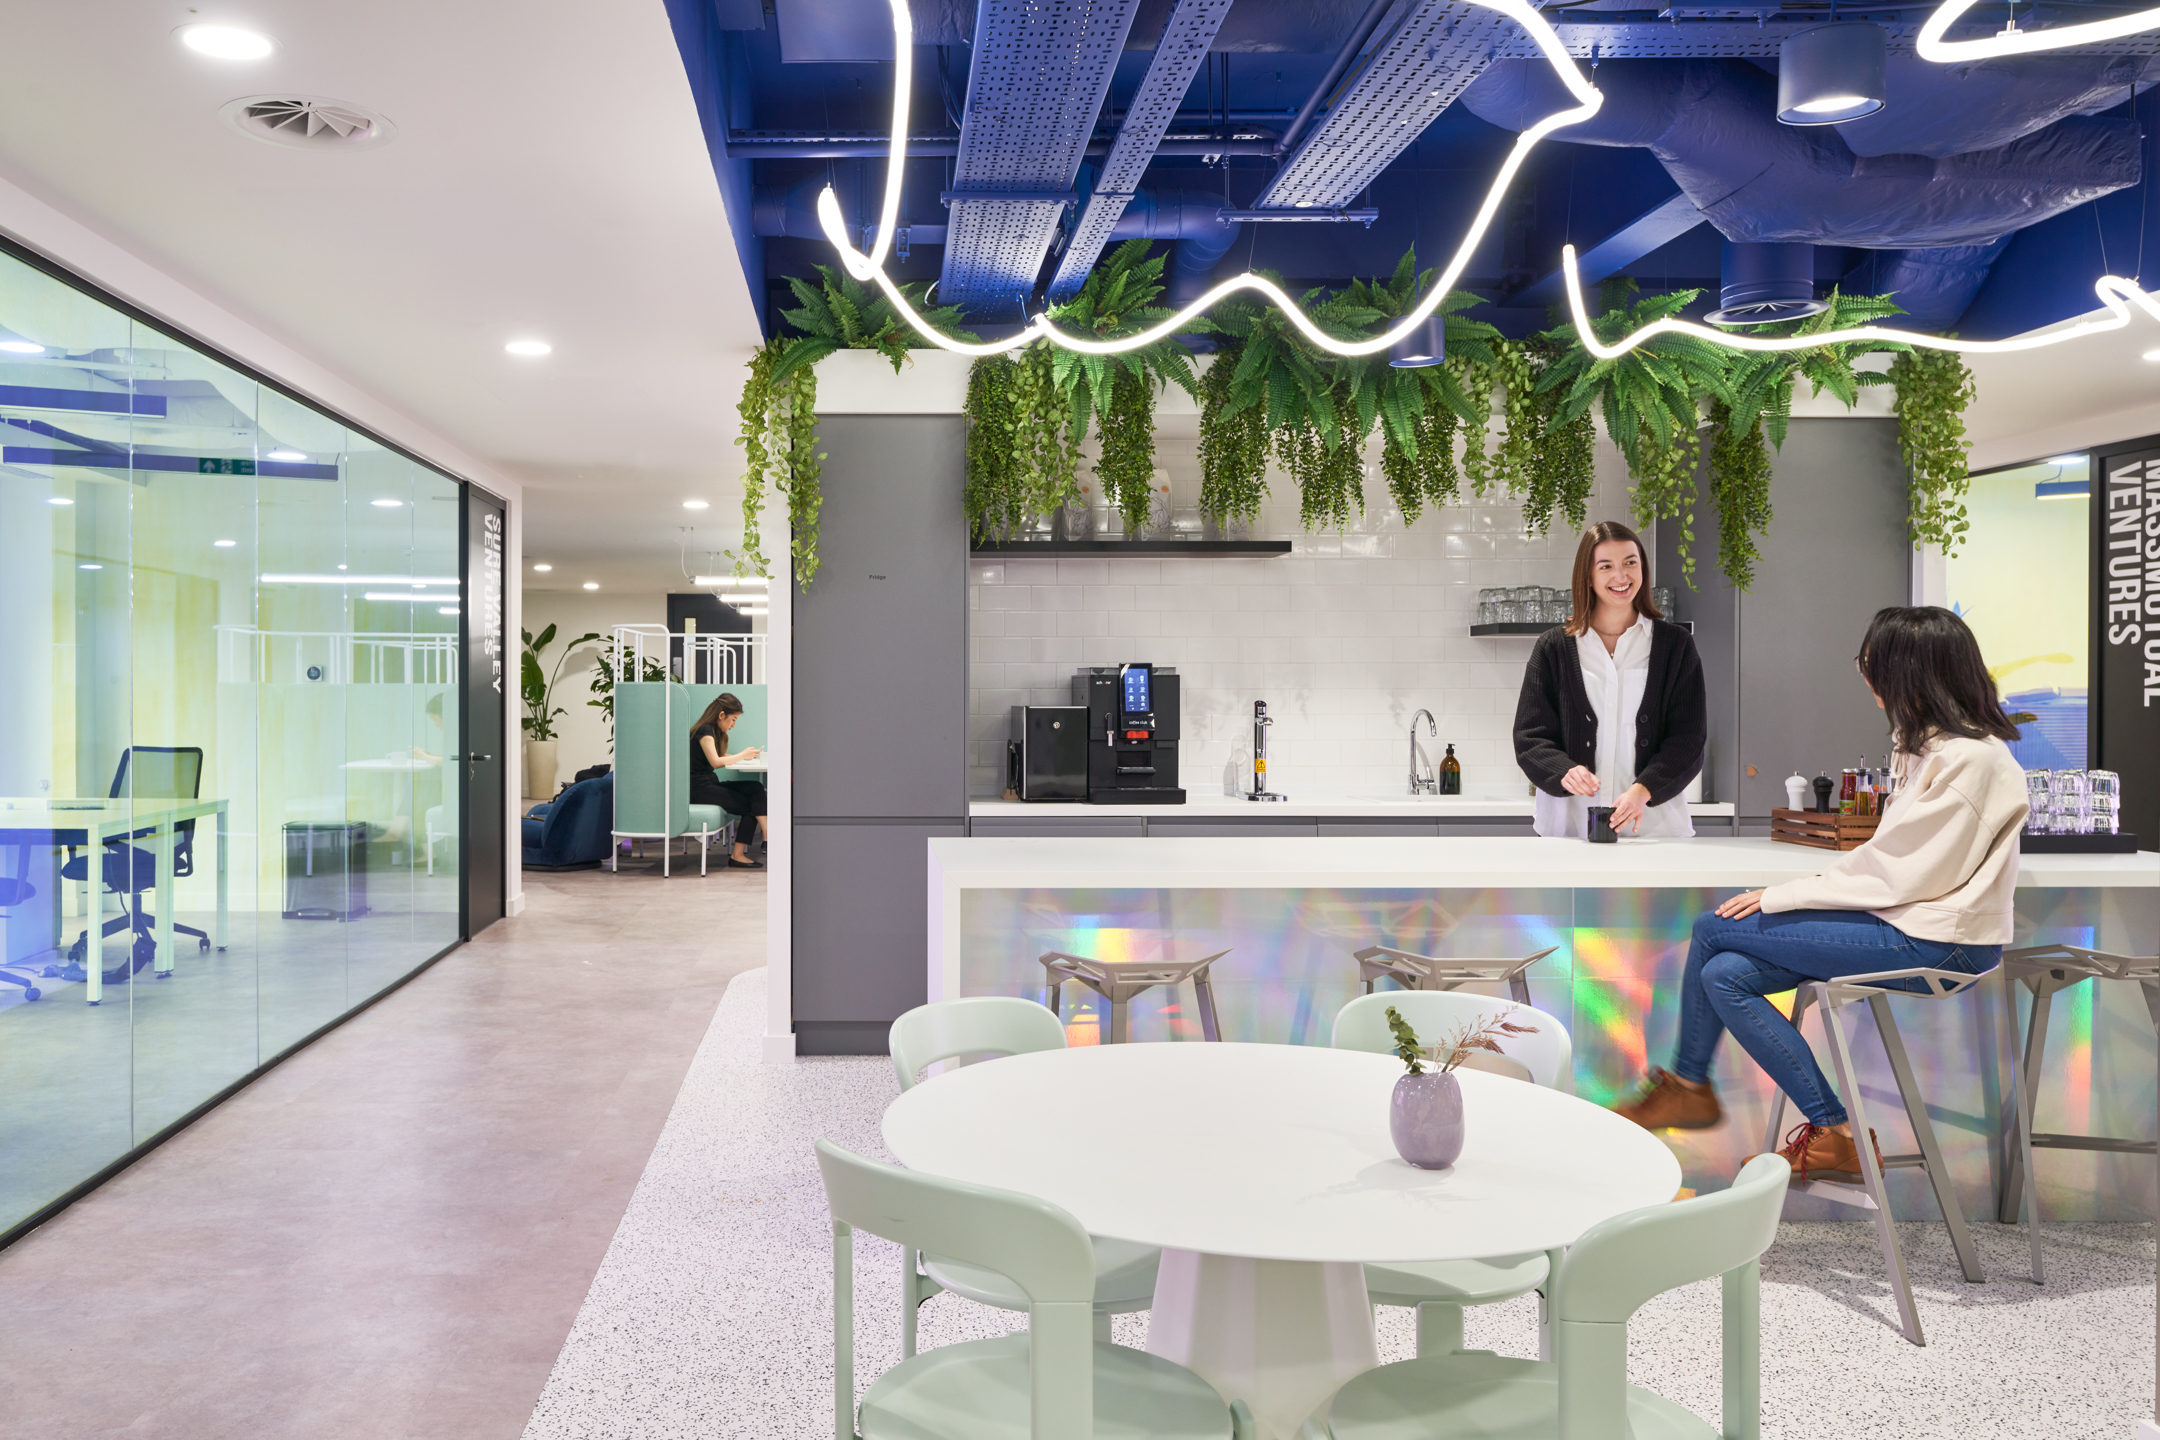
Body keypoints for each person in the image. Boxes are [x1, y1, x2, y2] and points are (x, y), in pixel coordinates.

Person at [1613, 605, 2029, 1182]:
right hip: (1912, 927)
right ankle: (1832, 1133)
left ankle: (1690, 1085)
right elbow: (1894, 866)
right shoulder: (1929, 750)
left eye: (1870, 664)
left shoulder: (1972, 760)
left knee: (1713, 930)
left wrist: (1783, 895)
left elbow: (1898, 872)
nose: (1864, 677)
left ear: (1909, 673)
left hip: (1940, 942)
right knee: (1723, 973)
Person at [1513, 520, 1706, 839]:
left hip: (1654, 830)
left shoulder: (1675, 645)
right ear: (1587, 577)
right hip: (1569, 829)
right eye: (1606, 566)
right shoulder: (1553, 648)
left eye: (1631, 562)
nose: (1621, 576)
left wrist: (1643, 790)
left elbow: (1689, 739)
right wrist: (1563, 771)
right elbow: (1530, 737)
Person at [689, 693, 767, 869]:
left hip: (709, 784)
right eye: (733, 719)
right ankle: (738, 855)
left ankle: (767, 838)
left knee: (755, 787)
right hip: (698, 789)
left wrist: (746, 757)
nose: (733, 725)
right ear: (721, 715)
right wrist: (741, 755)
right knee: (751, 805)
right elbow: (716, 762)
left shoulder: (713, 732)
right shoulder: (704, 730)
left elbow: (720, 757)